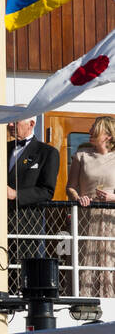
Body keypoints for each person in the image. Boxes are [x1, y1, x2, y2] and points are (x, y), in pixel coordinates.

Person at [66, 115, 115, 298]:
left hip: (111, 217)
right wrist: (79, 198)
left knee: (109, 257)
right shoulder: (81, 156)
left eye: (94, 128)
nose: (89, 131)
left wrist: (112, 197)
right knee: (85, 255)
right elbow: (70, 187)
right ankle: (83, 297)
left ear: (108, 136)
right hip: (86, 215)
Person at [4, 111, 60, 269]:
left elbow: (47, 191)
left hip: (26, 223)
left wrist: (16, 195)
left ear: (31, 124)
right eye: (9, 121)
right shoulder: (1, 149)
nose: (9, 125)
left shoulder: (47, 153)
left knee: (24, 270)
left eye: (15, 121)